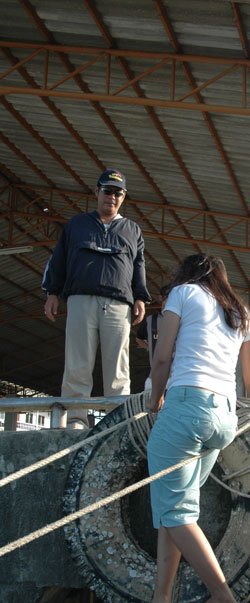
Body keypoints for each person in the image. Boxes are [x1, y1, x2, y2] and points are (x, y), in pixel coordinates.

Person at [145, 254, 250, 603]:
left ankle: (224, 600)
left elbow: (162, 357)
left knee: (177, 511)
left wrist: (156, 400)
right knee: (176, 511)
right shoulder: (241, 311)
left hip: (186, 407)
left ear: (186, 274)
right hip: (224, 417)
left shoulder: (183, 294)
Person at [42, 169, 151, 428]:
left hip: (118, 305)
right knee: (77, 363)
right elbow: (59, 261)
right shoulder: (76, 224)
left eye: (118, 193)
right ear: (96, 192)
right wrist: (52, 292)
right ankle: (75, 420)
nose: (111, 197)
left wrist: (140, 298)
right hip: (80, 299)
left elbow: (138, 266)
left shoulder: (132, 230)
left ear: (123, 197)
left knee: (118, 368)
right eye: (107, 191)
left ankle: (117, 422)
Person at [135, 284, 171, 390]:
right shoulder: (150, 320)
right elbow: (138, 339)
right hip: (154, 376)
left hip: (177, 376)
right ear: (161, 298)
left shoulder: (183, 320)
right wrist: (149, 347)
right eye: (168, 296)